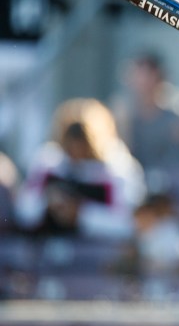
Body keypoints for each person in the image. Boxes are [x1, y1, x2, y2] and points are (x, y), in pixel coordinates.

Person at [15, 98, 146, 239]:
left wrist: (81, 214)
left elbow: (129, 224)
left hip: (100, 255)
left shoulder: (119, 170)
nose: (76, 151)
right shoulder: (48, 162)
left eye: (83, 142)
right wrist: (48, 203)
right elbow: (22, 211)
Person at [0, 0, 63, 167]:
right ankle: (30, 167)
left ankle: (29, 170)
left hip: (7, 52)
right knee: (29, 114)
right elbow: (64, 4)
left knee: (16, 111)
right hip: (33, 55)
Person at [111, 51, 179, 193]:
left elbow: (178, 165)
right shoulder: (121, 115)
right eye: (136, 76)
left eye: (147, 76)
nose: (141, 84)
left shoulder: (177, 119)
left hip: (167, 192)